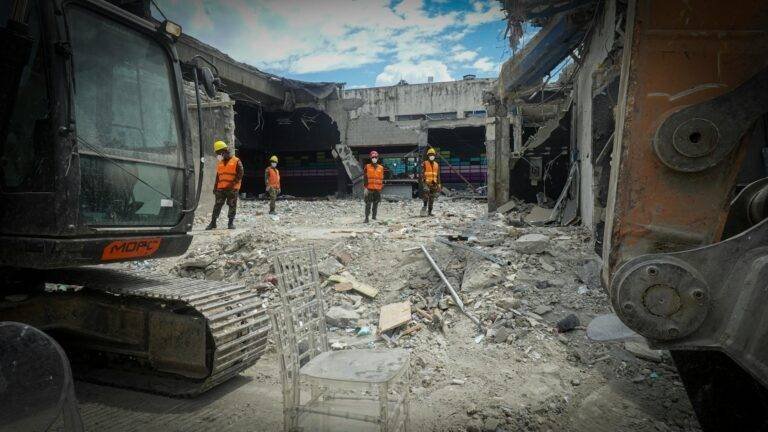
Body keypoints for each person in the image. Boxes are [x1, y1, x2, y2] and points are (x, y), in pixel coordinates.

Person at [206, 140, 243, 230]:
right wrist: (215, 187)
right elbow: (218, 176)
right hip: (221, 188)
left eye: (219, 153)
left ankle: (230, 223)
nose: (218, 155)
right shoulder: (220, 163)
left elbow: (240, 174)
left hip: (232, 188)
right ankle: (213, 223)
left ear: (224, 151)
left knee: (232, 205)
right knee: (217, 205)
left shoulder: (236, 161)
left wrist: (232, 184)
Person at [363, 150, 384, 223]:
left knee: (376, 203)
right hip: (369, 188)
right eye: (373, 157)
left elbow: (381, 178)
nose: (374, 158)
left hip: (377, 189)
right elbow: (365, 178)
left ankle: (374, 217)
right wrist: (365, 188)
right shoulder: (367, 167)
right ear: (370, 158)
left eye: (375, 157)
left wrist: (380, 188)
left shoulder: (381, 168)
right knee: (368, 203)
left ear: (377, 158)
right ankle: (366, 218)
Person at [420, 147, 441, 216]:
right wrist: (423, 181)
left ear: (434, 156)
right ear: (428, 156)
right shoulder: (424, 163)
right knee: (426, 194)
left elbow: (438, 175)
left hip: (434, 183)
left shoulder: (436, 164)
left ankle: (429, 212)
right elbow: (422, 173)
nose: (431, 156)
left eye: (432, 155)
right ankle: (424, 206)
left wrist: (439, 184)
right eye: (430, 155)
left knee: (432, 198)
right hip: (426, 182)